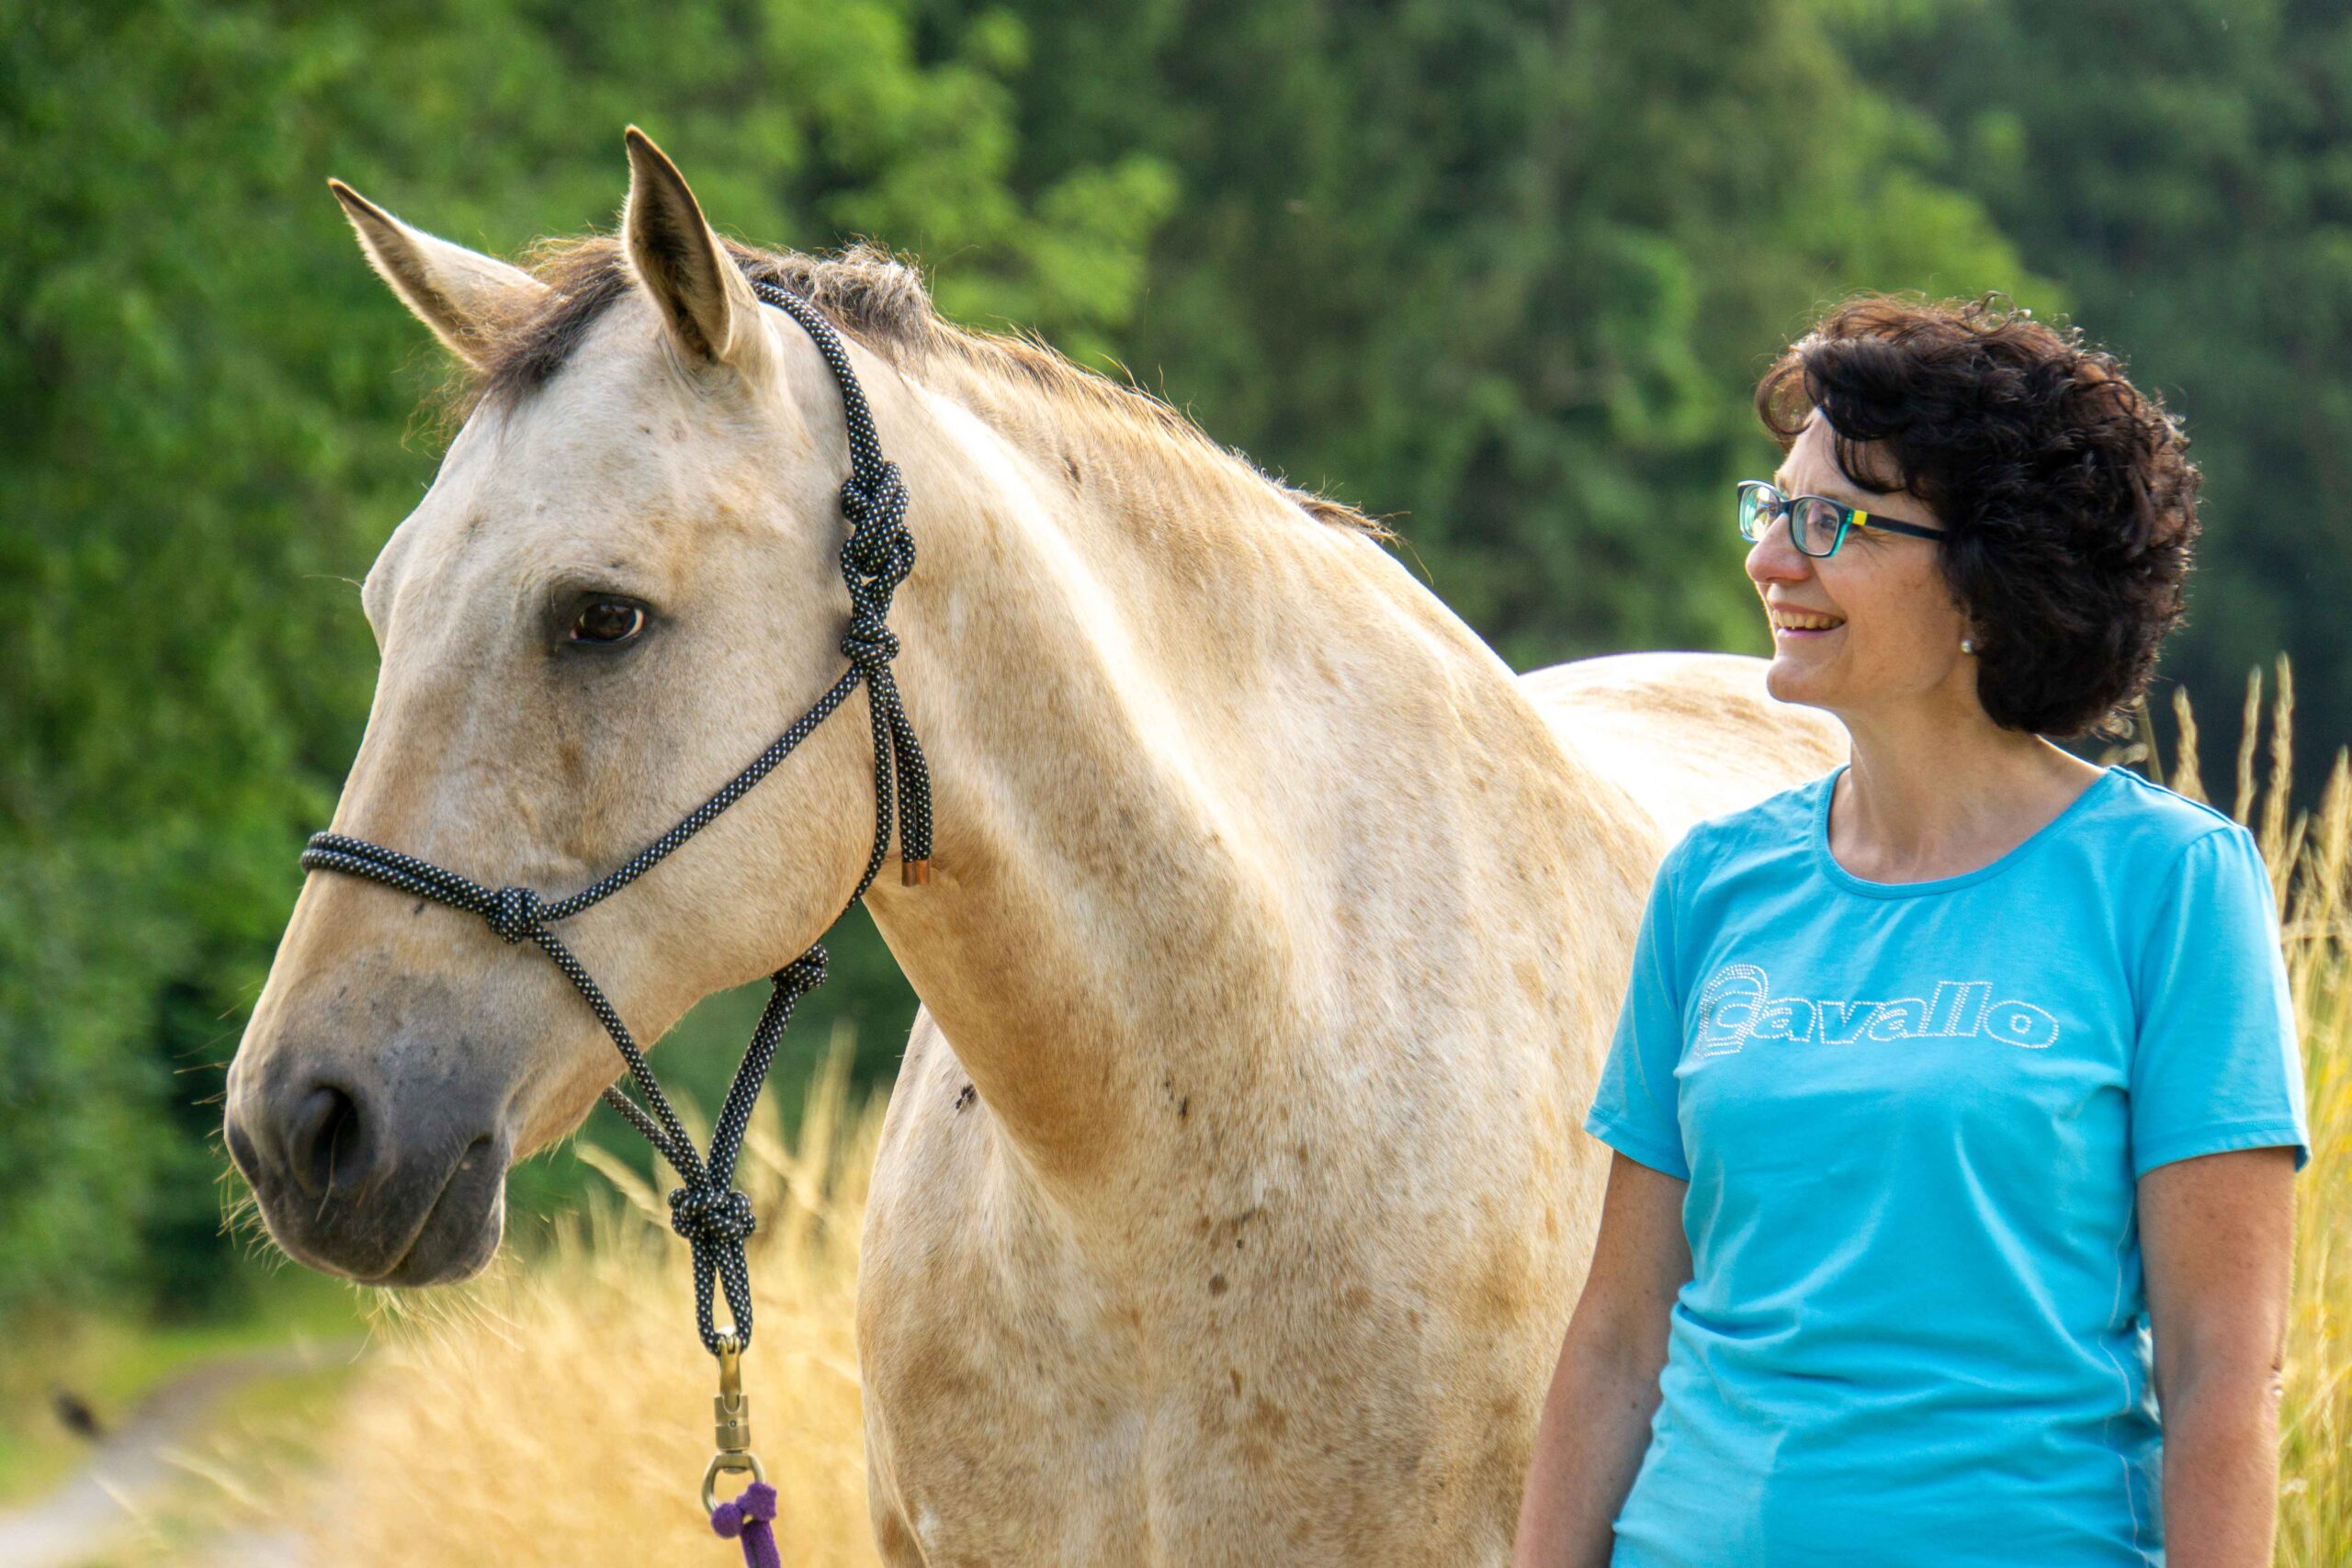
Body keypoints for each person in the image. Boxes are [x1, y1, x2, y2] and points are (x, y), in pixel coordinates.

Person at [1513, 295, 2312, 1568]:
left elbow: (2225, 1372)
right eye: (1769, 508)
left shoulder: (2169, 887)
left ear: (1989, 578)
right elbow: (1617, 1341)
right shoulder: (1714, 885)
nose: (1774, 558)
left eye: (1831, 521)